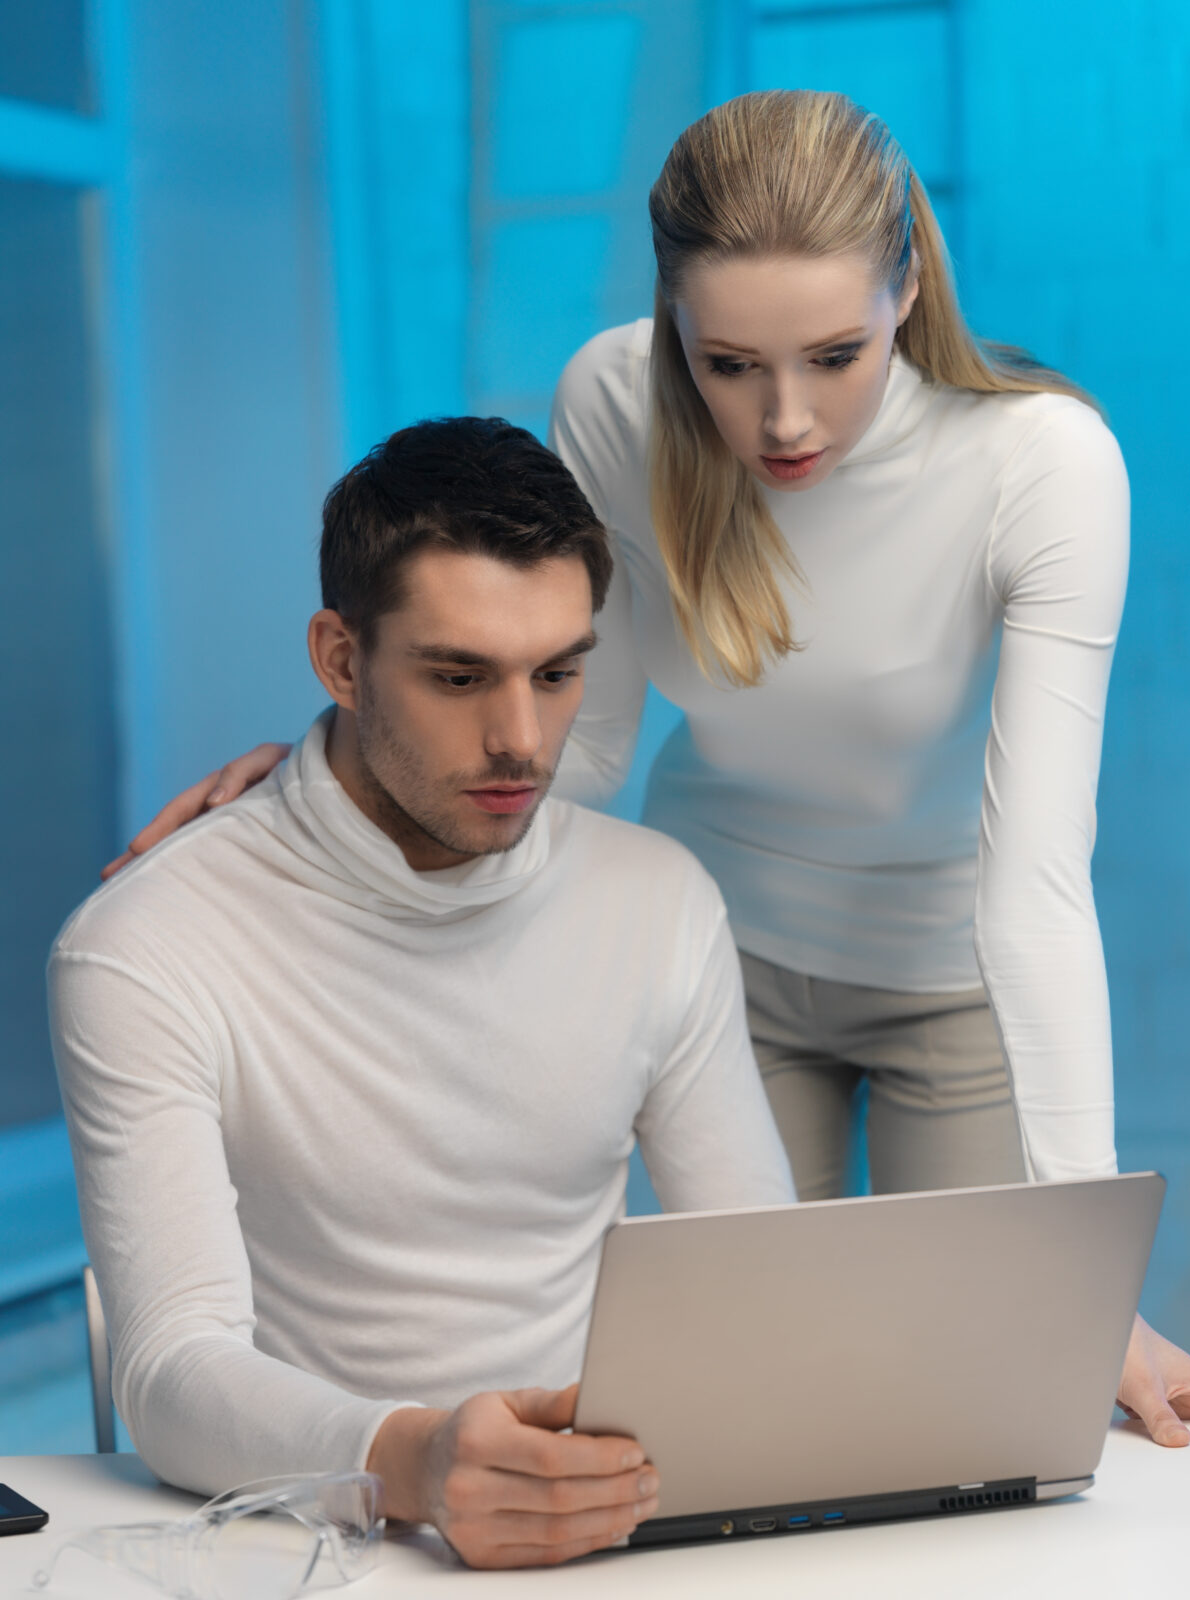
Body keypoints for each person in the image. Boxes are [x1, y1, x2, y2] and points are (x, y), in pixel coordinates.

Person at [103, 92, 1190, 1445]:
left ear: (907, 287)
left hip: (959, 972)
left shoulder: (1043, 464)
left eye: (835, 355)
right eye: (727, 365)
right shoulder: (612, 397)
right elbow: (582, 741)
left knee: (1006, 1405)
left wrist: (1086, 1274)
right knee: (766, 1407)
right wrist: (347, 776)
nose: (782, 423)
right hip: (732, 962)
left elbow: (1038, 875)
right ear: (669, 321)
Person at [50, 417, 796, 1571]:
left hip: (611, 1529)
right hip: (321, 1550)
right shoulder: (147, 942)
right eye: (458, 677)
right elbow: (170, 1370)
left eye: (558, 674)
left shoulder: (660, 902)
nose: (521, 740)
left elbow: (761, 1283)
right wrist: (415, 1460)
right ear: (341, 660)